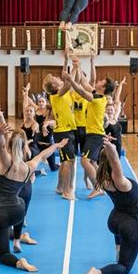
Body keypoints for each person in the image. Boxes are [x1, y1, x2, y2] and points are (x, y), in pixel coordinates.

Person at [0, 120, 65, 272]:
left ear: (10, 146)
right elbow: (43, 155)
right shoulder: (29, 167)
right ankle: (19, 237)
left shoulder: (6, 164)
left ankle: (19, 262)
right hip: (18, 212)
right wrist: (56, 146)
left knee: (3, 255)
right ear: (25, 147)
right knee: (18, 205)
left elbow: (0, 147)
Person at [84, 138, 138, 274]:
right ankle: (97, 272)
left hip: (114, 220)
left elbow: (93, 161)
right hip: (130, 225)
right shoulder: (120, 182)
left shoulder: (102, 178)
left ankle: (118, 249)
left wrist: (103, 148)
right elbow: (116, 163)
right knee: (124, 267)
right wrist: (111, 148)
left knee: (120, 232)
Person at [62, 61, 115, 199]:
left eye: (101, 81)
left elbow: (80, 90)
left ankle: (98, 188)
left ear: (103, 88)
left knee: (85, 161)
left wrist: (70, 80)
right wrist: (78, 66)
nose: (97, 81)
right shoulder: (97, 95)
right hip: (94, 134)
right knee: (90, 162)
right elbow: (85, 83)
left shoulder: (97, 99)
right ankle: (102, 184)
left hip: (95, 135)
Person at [44, 71, 77, 200]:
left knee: (67, 161)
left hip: (68, 130)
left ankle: (60, 187)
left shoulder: (61, 93)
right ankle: (66, 192)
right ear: (54, 84)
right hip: (63, 132)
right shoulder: (57, 94)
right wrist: (72, 70)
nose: (59, 78)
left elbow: (68, 82)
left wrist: (70, 63)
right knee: (68, 161)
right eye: (56, 78)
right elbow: (68, 84)